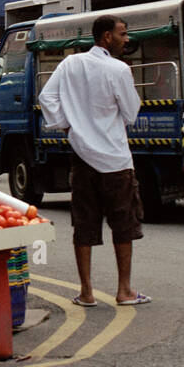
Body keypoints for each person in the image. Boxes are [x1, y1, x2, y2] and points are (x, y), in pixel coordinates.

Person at [38, 16, 150, 307]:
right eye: (122, 34)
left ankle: (86, 292)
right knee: (123, 225)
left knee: (84, 226)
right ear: (106, 37)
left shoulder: (70, 64)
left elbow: (47, 97)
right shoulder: (119, 69)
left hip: (82, 157)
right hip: (115, 160)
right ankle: (124, 290)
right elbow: (130, 113)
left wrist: (68, 126)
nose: (127, 39)